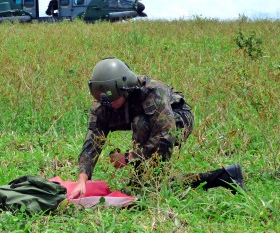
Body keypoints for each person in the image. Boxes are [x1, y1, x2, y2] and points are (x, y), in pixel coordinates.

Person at [70, 57, 245, 198]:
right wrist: (82, 179)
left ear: (125, 89)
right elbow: (92, 140)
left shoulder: (152, 92)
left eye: (115, 99)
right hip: (153, 126)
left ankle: (142, 183)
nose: (111, 105)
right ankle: (225, 176)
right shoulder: (105, 104)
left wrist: (130, 157)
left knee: (149, 182)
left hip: (177, 120)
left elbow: (166, 136)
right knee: (152, 185)